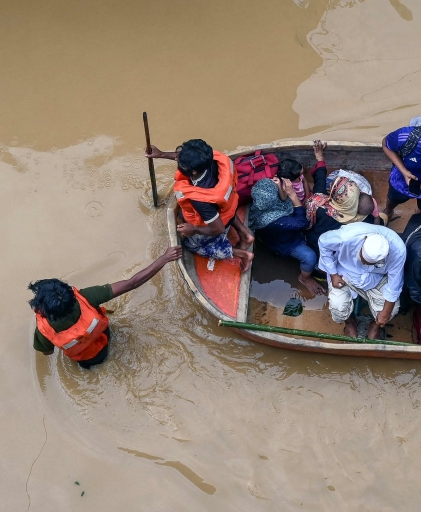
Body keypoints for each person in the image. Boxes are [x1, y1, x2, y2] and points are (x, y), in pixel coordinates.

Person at [30, 247, 183, 369]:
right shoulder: (87, 297)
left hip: (88, 360)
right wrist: (165, 258)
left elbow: (47, 352)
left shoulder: (43, 330)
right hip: (105, 337)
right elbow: (132, 283)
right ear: (69, 292)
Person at [146, 139, 254, 269]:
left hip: (218, 222)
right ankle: (245, 234)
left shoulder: (200, 199)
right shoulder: (208, 160)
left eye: (181, 163)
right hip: (228, 208)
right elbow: (182, 157)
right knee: (225, 210)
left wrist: (194, 229)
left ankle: (243, 254)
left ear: (193, 172)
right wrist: (161, 154)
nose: (178, 159)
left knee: (192, 245)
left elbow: (218, 228)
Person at [318, 223, 406, 340]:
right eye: (363, 259)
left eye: (369, 263)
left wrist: (385, 313)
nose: (364, 263)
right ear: (364, 240)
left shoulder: (398, 251)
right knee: (338, 307)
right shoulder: (347, 236)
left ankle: (374, 327)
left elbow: (394, 285)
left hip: (376, 278)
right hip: (345, 273)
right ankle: (350, 323)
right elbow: (323, 242)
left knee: (391, 310)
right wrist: (333, 274)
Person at [247, 178, 322, 297]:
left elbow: (283, 201)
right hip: (286, 242)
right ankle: (305, 278)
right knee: (310, 257)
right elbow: (302, 222)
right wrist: (292, 195)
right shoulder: (274, 220)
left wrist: (279, 188)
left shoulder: (261, 202)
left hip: (280, 233)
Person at [305, 141, 382, 255]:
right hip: (340, 254)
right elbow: (375, 225)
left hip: (316, 246)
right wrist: (376, 216)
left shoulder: (320, 207)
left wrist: (320, 158)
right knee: (382, 217)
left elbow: (320, 181)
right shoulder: (365, 219)